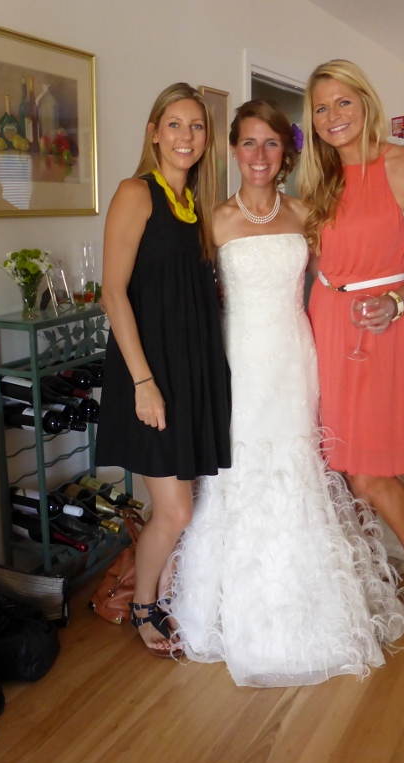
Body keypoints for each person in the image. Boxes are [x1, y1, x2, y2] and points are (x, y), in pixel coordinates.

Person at [167, 99, 404, 687]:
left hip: (297, 359)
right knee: (241, 467)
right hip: (240, 363)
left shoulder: (306, 214)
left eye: (271, 143)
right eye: (248, 143)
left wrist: (385, 306)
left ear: (287, 153)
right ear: (232, 150)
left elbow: (340, 279)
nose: (259, 155)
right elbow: (191, 300)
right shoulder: (212, 221)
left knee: (298, 465)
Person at [300, 60, 404, 621]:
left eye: (343, 102)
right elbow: (313, 260)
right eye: (321, 107)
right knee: (331, 456)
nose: (333, 116)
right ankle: (362, 554)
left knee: (368, 469)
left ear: (366, 102)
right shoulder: (317, 178)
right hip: (323, 318)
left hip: (378, 324)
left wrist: (397, 300)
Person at [96, 83, 231, 656]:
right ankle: (143, 604)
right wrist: (143, 383)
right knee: (176, 511)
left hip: (190, 371)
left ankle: (163, 586)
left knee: (180, 502)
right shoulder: (137, 193)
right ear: (154, 133)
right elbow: (113, 293)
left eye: (196, 126)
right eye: (174, 124)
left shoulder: (196, 206)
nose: (185, 136)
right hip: (151, 375)